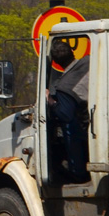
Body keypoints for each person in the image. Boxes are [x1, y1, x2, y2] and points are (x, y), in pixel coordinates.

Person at [46, 39, 90, 183]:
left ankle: (78, 172)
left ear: (56, 64)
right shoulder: (90, 61)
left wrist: (51, 101)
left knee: (70, 127)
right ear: (73, 52)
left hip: (85, 129)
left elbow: (65, 114)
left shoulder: (64, 85)